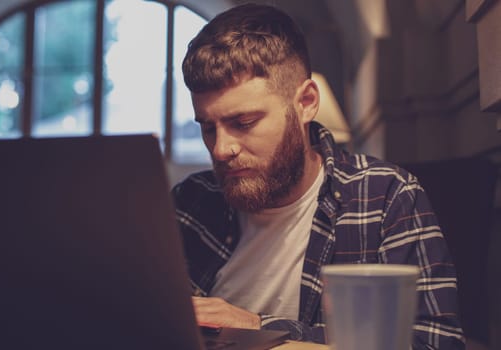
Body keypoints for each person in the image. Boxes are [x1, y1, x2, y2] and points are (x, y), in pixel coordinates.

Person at [172, 3, 465, 349]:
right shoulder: (190, 203)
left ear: (306, 102)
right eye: (208, 128)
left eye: (244, 123)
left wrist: (258, 328)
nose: (221, 149)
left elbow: (436, 343)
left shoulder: (386, 196)